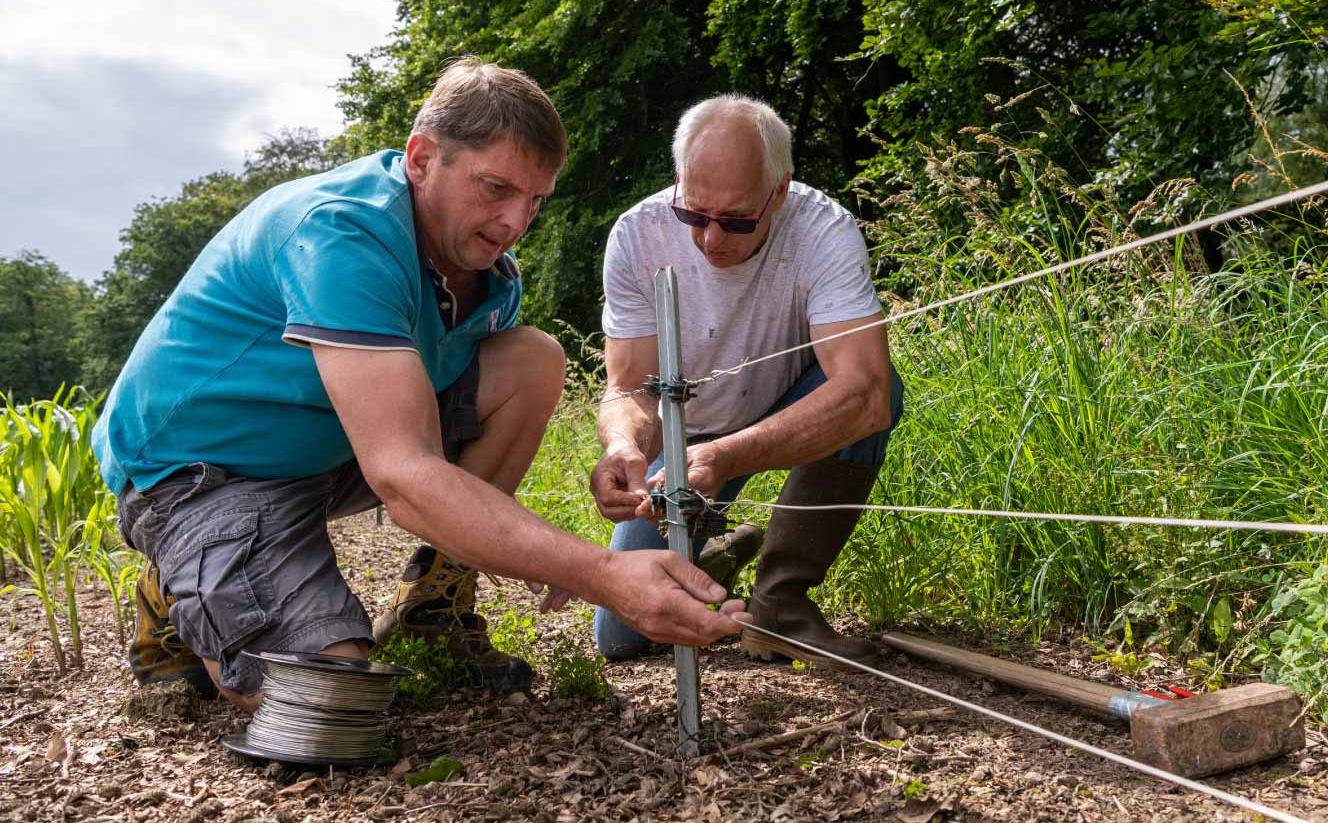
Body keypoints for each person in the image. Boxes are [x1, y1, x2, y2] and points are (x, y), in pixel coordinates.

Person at [94, 58, 747, 713]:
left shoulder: (489, 274)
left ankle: (432, 606)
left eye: (535, 200)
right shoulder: (341, 233)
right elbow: (403, 476)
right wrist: (597, 572)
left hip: (323, 445)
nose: (515, 221)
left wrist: (551, 548)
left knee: (532, 360)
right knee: (327, 705)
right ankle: (174, 586)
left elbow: (418, 449)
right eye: (496, 188)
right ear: (421, 157)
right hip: (201, 472)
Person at [589, 95, 903, 664]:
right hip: (687, 437)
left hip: (789, 406)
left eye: (735, 220)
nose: (711, 238)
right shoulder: (636, 235)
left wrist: (727, 458)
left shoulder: (823, 230)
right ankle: (716, 557)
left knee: (878, 390)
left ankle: (782, 600)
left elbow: (864, 392)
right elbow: (630, 385)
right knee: (624, 636)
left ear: (779, 192)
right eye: (693, 214)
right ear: (678, 182)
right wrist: (623, 445)